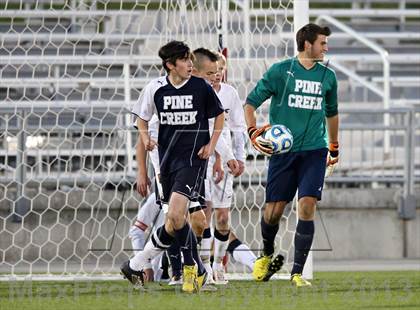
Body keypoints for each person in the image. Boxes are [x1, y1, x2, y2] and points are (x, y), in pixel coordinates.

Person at [121, 40, 225, 293]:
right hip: (167, 163)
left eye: (191, 59)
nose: (190, 64)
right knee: (175, 220)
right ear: (170, 65)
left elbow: (219, 115)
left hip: (193, 161)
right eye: (184, 60)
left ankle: (192, 268)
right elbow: (141, 119)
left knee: (182, 216)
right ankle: (136, 264)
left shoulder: (200, 87)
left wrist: (211, 146)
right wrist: (145, 138)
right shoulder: (155, 89)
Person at [244, 23, 339, 287]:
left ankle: (297, 273)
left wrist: (334, 146)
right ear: (307, 44)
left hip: (314, 150)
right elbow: (250, 103)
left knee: (307, 205)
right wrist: (253, 132)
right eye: (322, 43)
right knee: (273, 212)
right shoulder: (280, 71)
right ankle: (266, 253)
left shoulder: (328, 76)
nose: (326, 48)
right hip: (283, 153)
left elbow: (332, 113)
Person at [201, 51, 247, 285]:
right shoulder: (199, 93)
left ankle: (218, 265)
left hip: (226, 160)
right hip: (203, 159)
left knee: (222, 217)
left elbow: (238, 128)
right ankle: (205, 267)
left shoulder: (230, 94)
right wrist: (220, 158)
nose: (217, 74)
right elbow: (209, 130)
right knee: (203, 214)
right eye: (213, 70)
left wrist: (240, 157)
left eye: (221, 70)